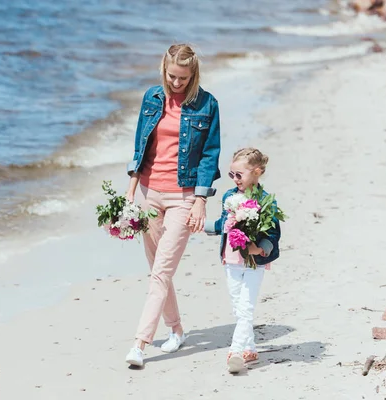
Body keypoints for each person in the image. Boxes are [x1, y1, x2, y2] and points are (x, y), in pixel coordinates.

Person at [124, 44, 221, 367]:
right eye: (171, 76)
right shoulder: (152, 98)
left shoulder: (207, 105)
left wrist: (200, 202)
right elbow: (140, 145)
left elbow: (210, 155)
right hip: (149, 194)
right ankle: (176, 330)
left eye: (183, 78)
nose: (176, 83)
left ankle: (139, 343)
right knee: (158, 272)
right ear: (163, 70)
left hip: (183, 197)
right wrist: (129, 193)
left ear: (193, 75)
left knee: (162, 271)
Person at [205, 147, 282, 374]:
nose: (235, 179)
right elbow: (222, 225)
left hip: (254, 261)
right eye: (232, 175)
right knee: (238, 307)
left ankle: (235, 351)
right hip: (230, 258)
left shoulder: (267, 201)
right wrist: (202, 226)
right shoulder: (229, 197)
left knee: (246, 307)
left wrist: (258, 248)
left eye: (239, 175)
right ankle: (250, 348)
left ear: (256, 173)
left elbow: (273, 234)